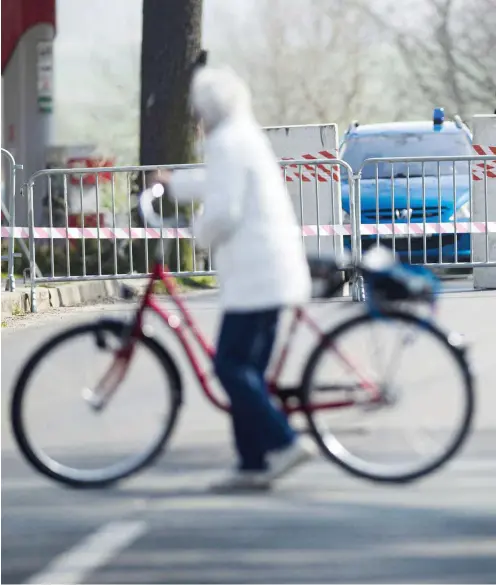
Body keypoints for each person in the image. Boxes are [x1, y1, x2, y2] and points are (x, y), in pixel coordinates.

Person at [153, 63, 314, 492]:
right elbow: (220, 184)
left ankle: (282, 442)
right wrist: (177, 186)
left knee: (229, 367)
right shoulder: (244, 134)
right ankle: (251, 463)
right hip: (268, 272)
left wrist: (193, 233)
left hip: (257, 277)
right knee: (248, 371)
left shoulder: (225, 141)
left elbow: (225, 211)